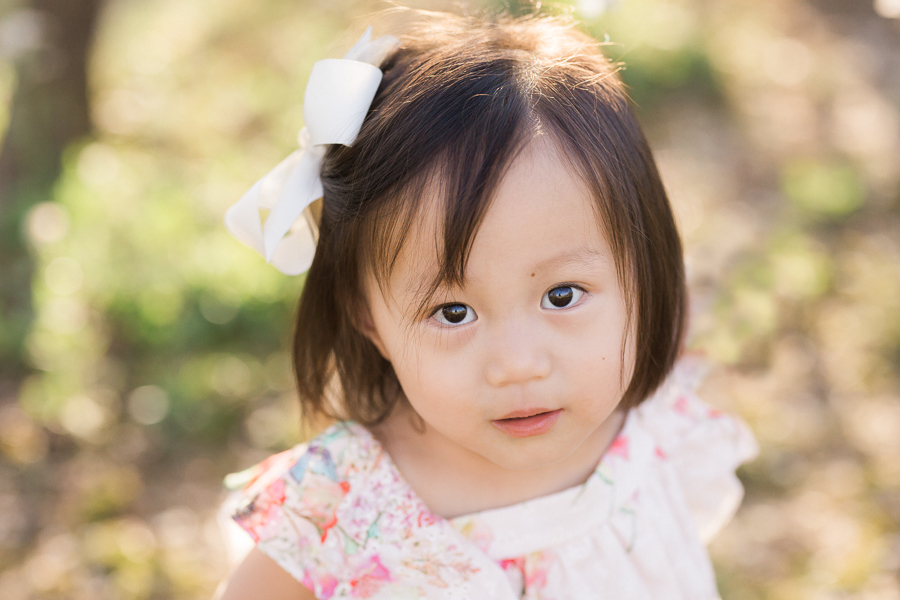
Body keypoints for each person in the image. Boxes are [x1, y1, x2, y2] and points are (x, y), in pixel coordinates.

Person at [216, 10, 758, 600]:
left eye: (561, 296)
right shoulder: (343, 506)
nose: (518, 364)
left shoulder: (651, 417)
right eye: (453, 312)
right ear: (367, 316)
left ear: (639, 277)